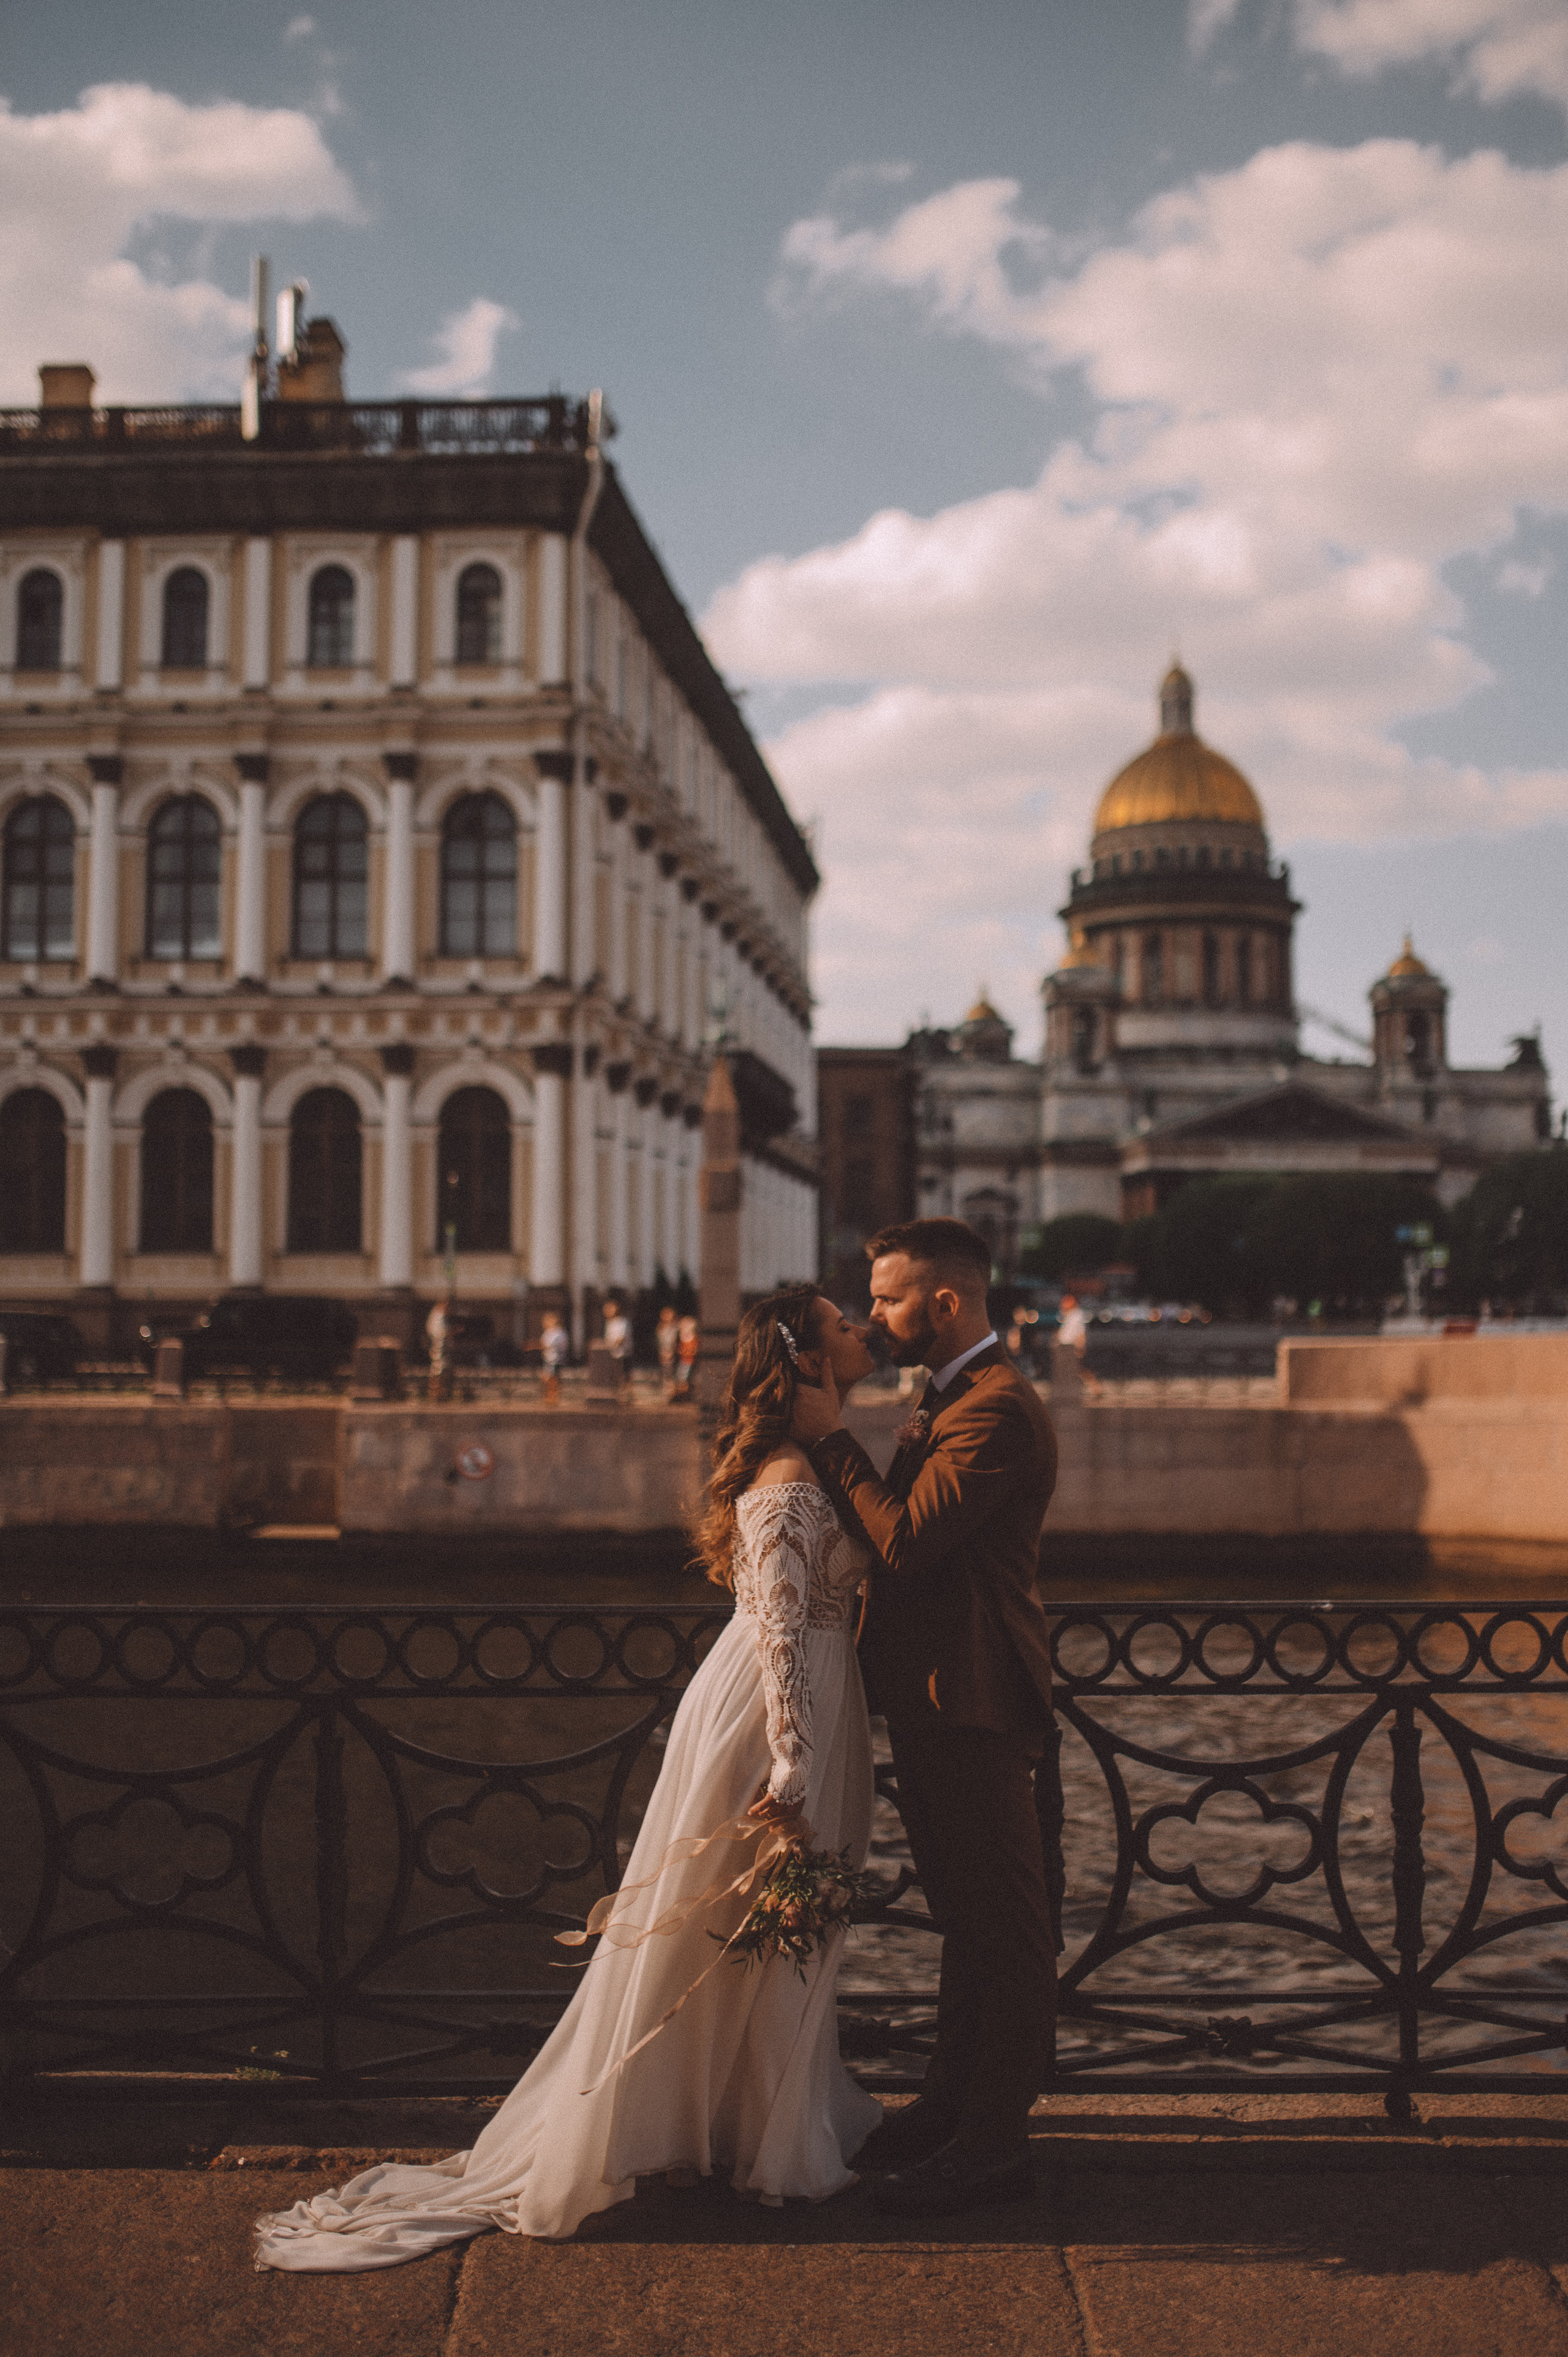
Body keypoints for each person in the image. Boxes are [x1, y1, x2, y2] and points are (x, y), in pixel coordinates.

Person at [252, 1285, 883, 2269]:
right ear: (806, 1357)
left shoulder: (809, 1463)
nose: (862, 1330)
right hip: (772, 1712)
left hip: (800, 1697)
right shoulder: (790, 1477)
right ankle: (743, 2133)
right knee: (738, 1924)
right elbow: (775, 1628)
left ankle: (733, 2123)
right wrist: (795, 1757)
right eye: (845, 1322)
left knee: (760, 1927)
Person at [792, 1216, 1058, 2219]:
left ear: (945, 1303)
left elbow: (906, 1543)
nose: (876, 1315)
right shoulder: (949, 1397)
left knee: (1008, 1931)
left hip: (977, 1697)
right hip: (942, 1694)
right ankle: (950, 2106)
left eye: (891, 1298)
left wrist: (829, 1440)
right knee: (965, 1920)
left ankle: (994, 2145)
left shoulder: (996, 1409)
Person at [601, 1298, 631, 1389]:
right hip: (612, 1354)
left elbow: (621, 1339)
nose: (608, 1311)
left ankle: (626, 1393)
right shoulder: (609, 1323)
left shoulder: (622, 1322)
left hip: (622, 1354)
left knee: (624, 1376)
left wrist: (611, 1346)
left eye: (611, 1309)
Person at [673, 1311, 699, 1401]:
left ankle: (686, 1395)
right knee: (681, 1378)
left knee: (688, 1378)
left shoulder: (694, 1338)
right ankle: (681, 1395)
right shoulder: (681, 1338)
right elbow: (679, 1349)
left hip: (691, 1361)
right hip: (683, 1361)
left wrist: (690, 1352)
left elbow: (695, 1350)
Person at [655, 1303, 679, 1398]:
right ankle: (667, 1393)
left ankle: (673, 1393)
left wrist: (672, 1352)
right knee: (665, 1372)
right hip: (663, 1351)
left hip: (672, 1353)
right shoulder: (660, 1328)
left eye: (669, 1314)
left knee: (672, 1373)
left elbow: (676, 1341)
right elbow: (659, 1342)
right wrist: (661, 1352)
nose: (667, 1317)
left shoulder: (675, 1328)